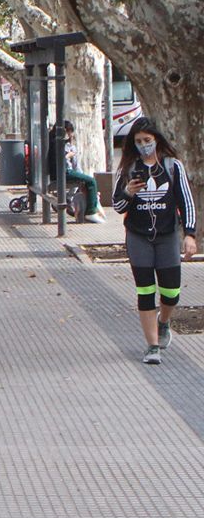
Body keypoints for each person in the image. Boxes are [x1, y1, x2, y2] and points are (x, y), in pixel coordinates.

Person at [111, 117, 196, 364]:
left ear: (156, 139)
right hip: (138, 237)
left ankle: (164, 321)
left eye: (147, 140)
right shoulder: (128, 168)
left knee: (171, 292)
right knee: (145, 290)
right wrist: (128, 192)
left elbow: (186, 202)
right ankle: (152, 345)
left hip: (167, 236)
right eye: (138, 141)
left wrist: (190, 235)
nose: (143, 145)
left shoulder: (172, 166)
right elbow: (117, 205)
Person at [53, 121, 106, 224]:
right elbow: (58, 161)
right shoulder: (56, 144)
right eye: (68, 132)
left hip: (66, 171)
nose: (70, 135)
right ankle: (91, 211)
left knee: (88, 180)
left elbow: (76, 166)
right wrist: (68, 156)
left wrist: (82, 175)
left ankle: (89, 202)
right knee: (91, 181)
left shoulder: (65, 144)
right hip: (63, 172)